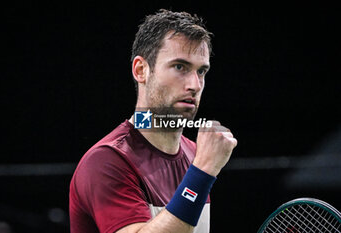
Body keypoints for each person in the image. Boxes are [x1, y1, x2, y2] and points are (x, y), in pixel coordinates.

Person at [69, 9, 237, 233]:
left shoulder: (195, 155)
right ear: (141, 70)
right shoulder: (106, 161)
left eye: (201, 71)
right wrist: (203, 172)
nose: (195, 85)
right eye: (180, 67)